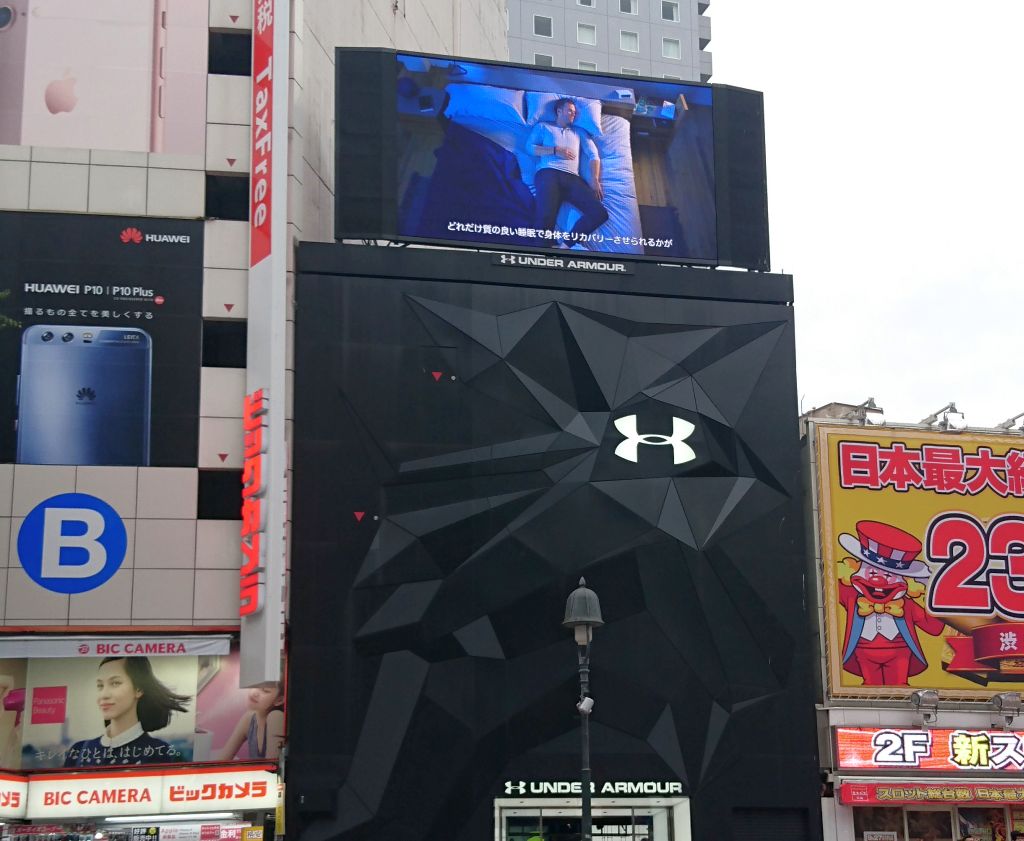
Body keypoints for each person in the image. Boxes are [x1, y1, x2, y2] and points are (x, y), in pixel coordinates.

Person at [64, 657, 191, 767]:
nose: (104, 695)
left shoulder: (159, 752)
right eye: (100, 686)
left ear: (138, 689)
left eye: (115, 683)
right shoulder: (79, 750)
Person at [526, 98, 608, 244]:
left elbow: (593, 155)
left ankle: (565, 246)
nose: (573, 114)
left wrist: (595, 179)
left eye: (575, 112)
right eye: (570, 110)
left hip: (572, 178)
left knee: (599, 214)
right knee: (544, 219)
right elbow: (529, 148)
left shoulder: (579, 132)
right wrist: (554, 150)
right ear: (559, 111)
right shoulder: (543, 127)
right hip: (548, 173)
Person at [214, 682, 284, 760]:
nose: (254, 693)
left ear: (279, 700)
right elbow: (223, 759)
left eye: (265, 690)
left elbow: (272, 767)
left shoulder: (277, 716)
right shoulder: (249, 718)